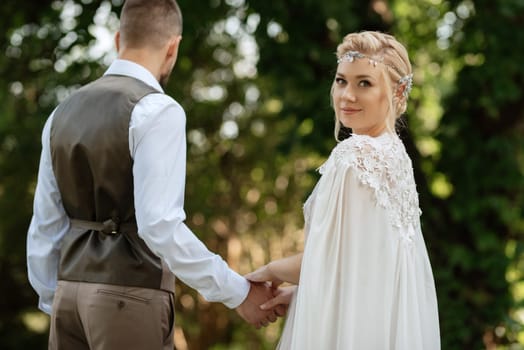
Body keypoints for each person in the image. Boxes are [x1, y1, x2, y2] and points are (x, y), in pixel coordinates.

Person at [26, 1, 279, 349]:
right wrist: (237, 291)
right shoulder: (157, 109)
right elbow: (159, 225)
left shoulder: (60, 113)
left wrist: (52, 297)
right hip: (129, 297)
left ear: (118, 39)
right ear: (173, 46)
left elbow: (45, 222)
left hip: (67, 297)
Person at [246, 31, 441, 349]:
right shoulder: (397, 156)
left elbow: (320, 259)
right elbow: (368, 267)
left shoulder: (354, 156)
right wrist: (300, 293)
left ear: (398, 91)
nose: (347, 96)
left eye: (364, 83)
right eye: (341, 81)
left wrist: (268, 271)